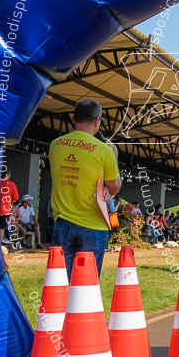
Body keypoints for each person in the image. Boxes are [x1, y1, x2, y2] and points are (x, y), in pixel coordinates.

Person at [50, 99, 120, 280]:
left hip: (62, 223)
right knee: (86, 286)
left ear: (73, 119)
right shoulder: (104, 151)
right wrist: (114, 156)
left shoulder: (55, 145)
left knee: (59, 282)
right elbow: (114, 188)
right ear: (98, 121)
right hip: (93, 225)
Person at [0, 171, 19, 247]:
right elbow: (16, 197)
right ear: (8, 175)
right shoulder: (12, 184)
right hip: (4, 210)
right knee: (1, 229)